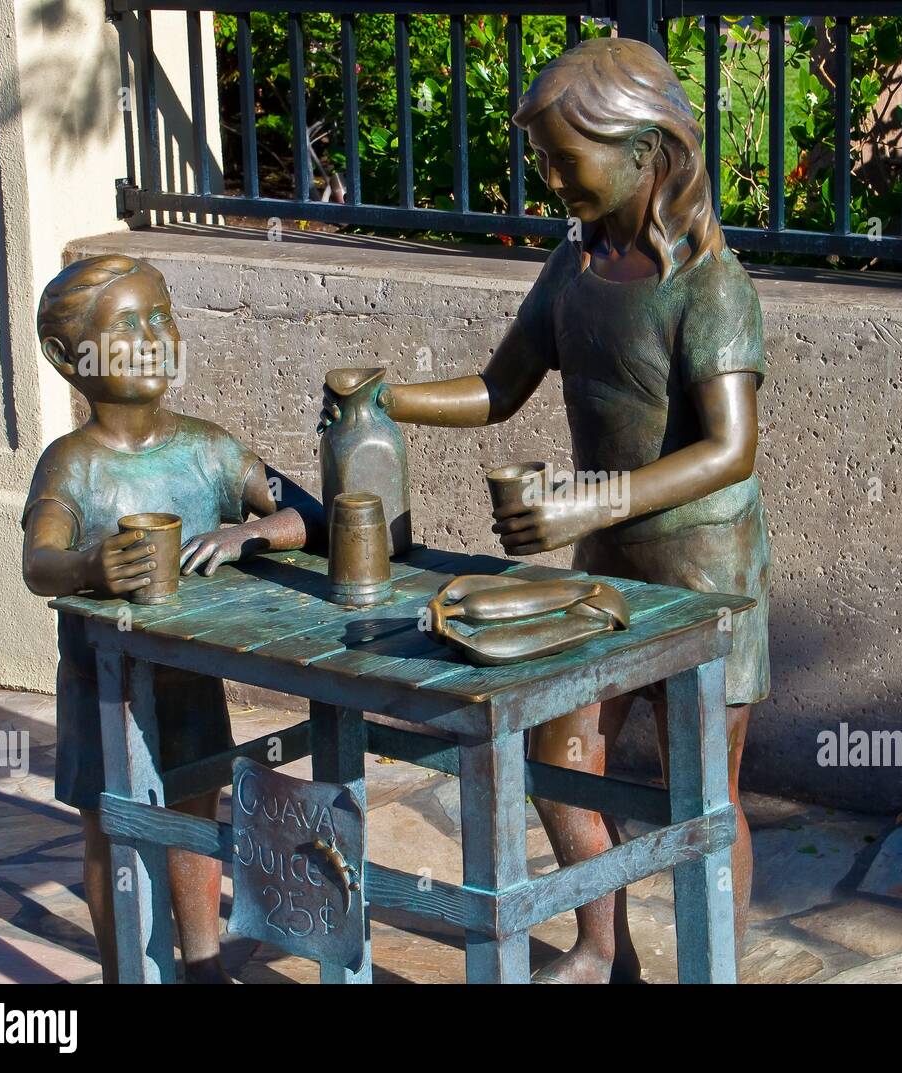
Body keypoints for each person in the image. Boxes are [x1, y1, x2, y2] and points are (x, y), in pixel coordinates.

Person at [322, 37, 770, 983]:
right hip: (603, 566)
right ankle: (607, 947)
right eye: (545, 162)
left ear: (647, 151)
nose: (552, 180)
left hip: (708, 577)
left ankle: (714, 968)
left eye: (568, 161)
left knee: (703, 796)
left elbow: (731, 449)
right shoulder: (572, 271)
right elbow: (499, 387)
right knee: (559, 749)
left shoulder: (713, 286)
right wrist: (389, 398)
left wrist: (584, 503)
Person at [22, 254, 323, 983]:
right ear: (68, 357)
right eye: (128, 326)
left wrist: (250, 532)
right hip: (104, 684)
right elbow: (39, 561)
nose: (155, 337)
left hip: (190, 676)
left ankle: (205, 960)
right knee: (109, 818)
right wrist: (91, 567)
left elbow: (308, 512)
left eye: (162, 317)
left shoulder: (212, 451)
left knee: (194, 805)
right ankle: (127, 966)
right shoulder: (72, 465)